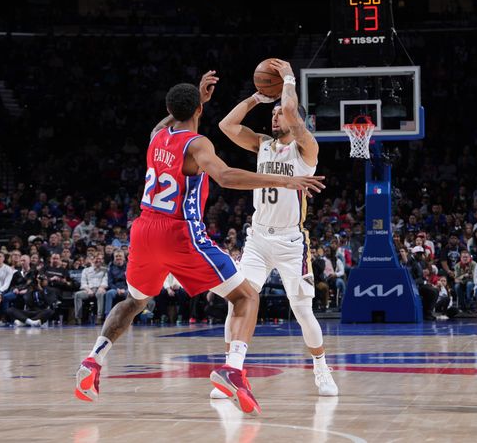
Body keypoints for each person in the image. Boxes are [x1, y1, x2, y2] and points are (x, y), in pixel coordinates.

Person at [74, 71, 325, 416]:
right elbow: (225, 176)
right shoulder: (197, 144)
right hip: (179, 232)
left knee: (134, 301)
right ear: (198, 111)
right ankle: (233, 370)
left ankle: (93, 359)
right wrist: (286, 180)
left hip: (143, 227)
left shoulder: (156, 135)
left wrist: (198, 102)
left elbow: (176, 118)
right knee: (246, 296)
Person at [215, 58, 338, 396]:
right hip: (257, 237)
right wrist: (257, 97)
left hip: (290, 242)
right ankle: (231, 370)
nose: (275, 115)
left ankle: (321, 367)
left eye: (279, 113)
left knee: (302, 310)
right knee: (238, 300)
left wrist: (287, 81)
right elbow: (226, 125)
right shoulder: (262, 144)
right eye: (273, 114)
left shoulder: (306, 148)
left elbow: (292, 113)